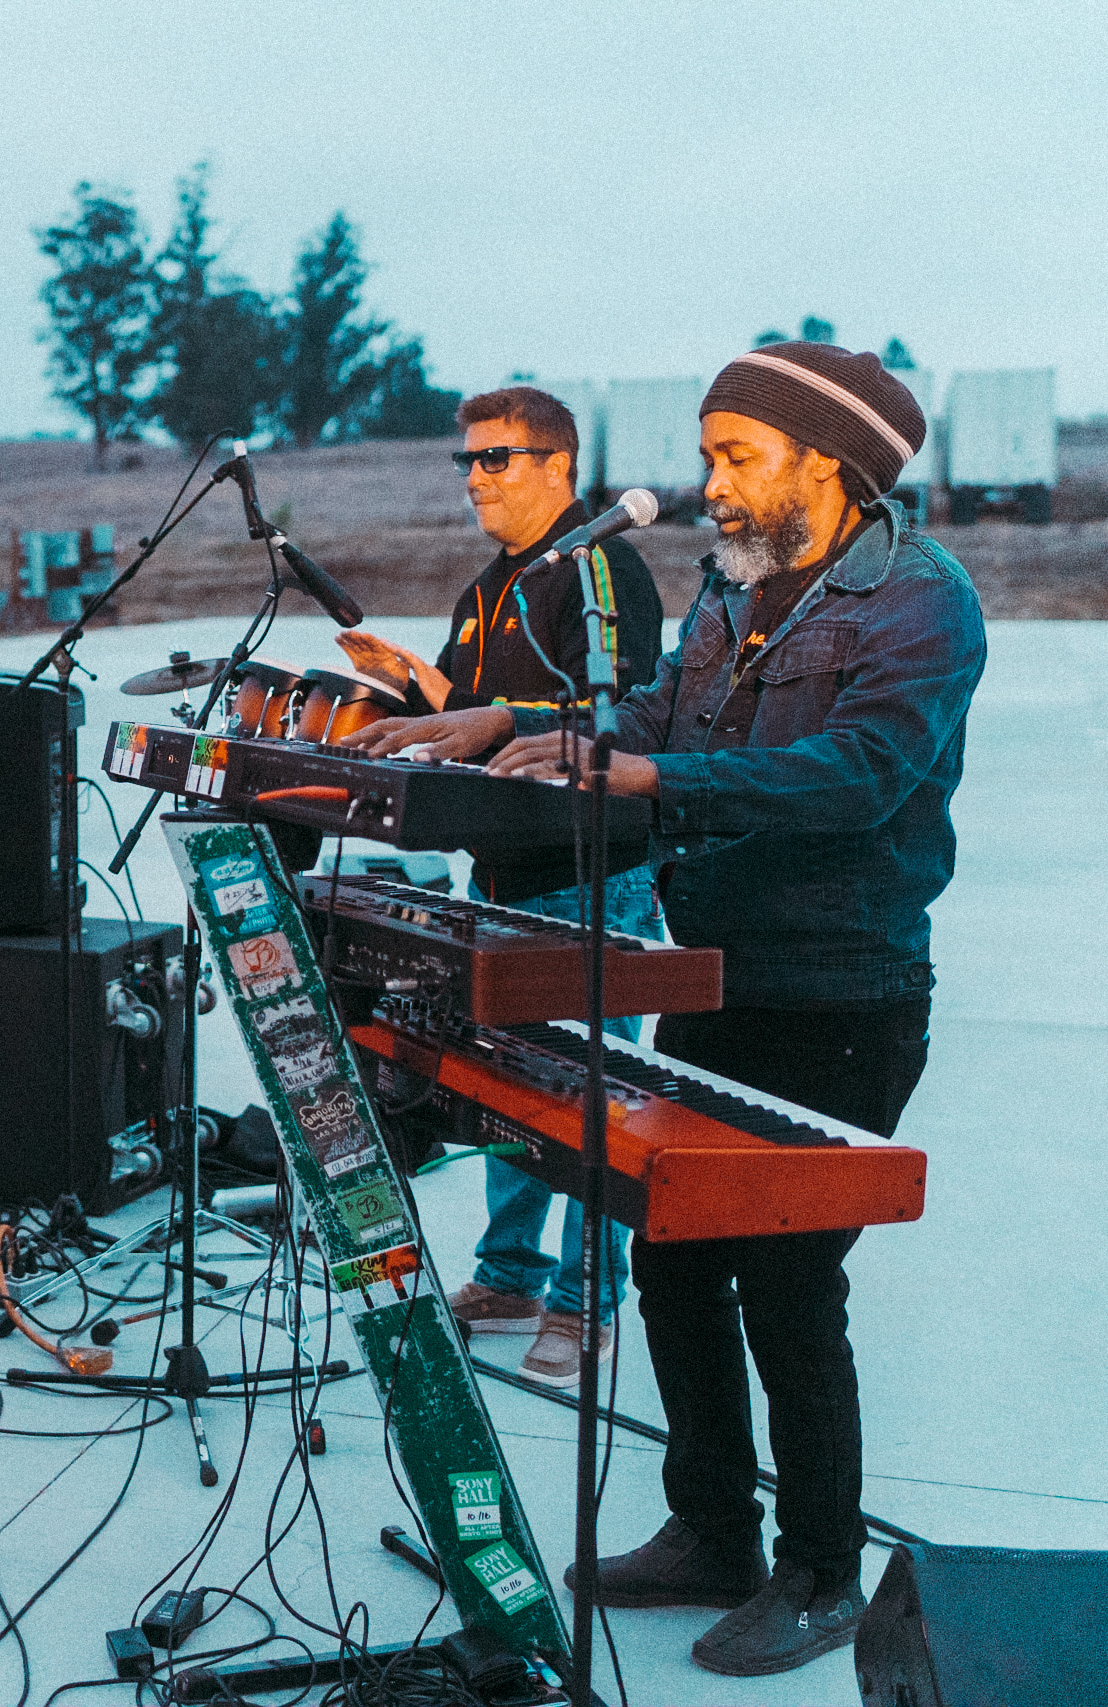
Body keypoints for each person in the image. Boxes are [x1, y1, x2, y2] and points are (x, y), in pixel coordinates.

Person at [349, 343, 983, 1677]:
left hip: (843, 993)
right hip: (708, 975)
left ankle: (818, 1565)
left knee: (792, 1281)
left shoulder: (920, 600)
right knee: (675, 1260)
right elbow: (653, 706)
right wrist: (509, 723)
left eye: (737, 455)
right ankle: (713, 1529)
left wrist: (649, 778)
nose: (712, 482)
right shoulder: (731, 587)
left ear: (825, 461)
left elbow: (855, 774)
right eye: (711, 453)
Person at [348, 386, 667, 1387]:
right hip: (504, 866)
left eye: (497, 459)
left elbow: (617, 717)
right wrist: (408, 690)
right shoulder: (489, 586)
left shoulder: (602, 566)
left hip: (589, 873)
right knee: (508, 1079)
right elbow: (468, 713)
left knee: (587, 1093)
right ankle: (511, 1274)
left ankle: (586, 1300)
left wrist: (496, 719)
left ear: (558, 468)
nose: (474, 477)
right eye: (467, 461)